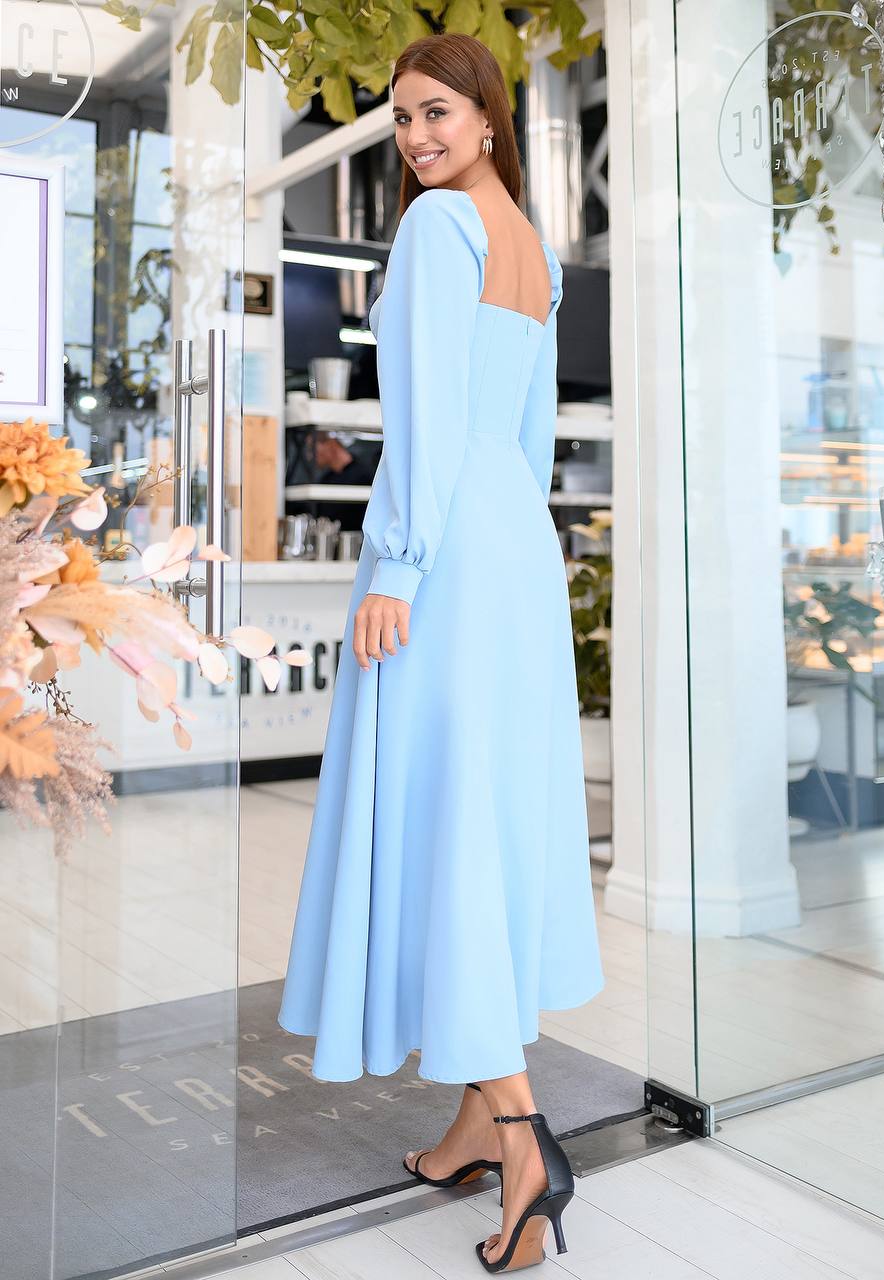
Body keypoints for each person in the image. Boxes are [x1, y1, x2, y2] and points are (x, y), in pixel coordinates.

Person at [277, 31, 604, 1273]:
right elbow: (525, 433)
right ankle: (475, 1117)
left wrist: (399, 565)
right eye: (400, 120)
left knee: (437, 821)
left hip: (447, 549)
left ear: (483, 115)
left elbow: (416, 413)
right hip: (514, 545)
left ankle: (521, 1135)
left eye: (435, 113)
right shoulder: (529, 241)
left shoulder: (430, 233)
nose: (415, 137)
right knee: (481, 814)